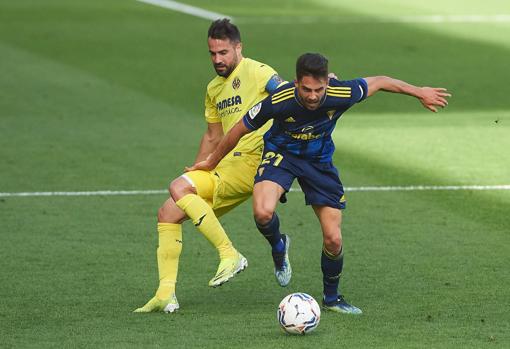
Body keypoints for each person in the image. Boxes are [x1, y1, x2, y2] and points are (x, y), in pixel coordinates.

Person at [187, 53, 451, 314]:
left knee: (334, 239)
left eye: (318, 89)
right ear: (295, 82)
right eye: (306, 89)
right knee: (262, 212)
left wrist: (420, 92)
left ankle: (332, 298)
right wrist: (211, 162)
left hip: (318, 162)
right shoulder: (279, 100)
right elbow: (238, 130)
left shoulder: (343, 92)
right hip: (282, 155)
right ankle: (279, 246)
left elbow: (381, 81)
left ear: (328, 82)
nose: (312, 96)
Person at [134, 19, 284, 313]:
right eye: (213, 54)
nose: (218, 59)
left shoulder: (258, 71)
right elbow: (213, 135)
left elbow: (289, 95)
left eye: (224, 53)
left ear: (238, 48)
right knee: (168, 211)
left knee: (179, 186)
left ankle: (230, 255)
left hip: (253, 163)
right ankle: (166, 294)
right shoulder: (214, 88)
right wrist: (198, 168)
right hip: (224, 168)